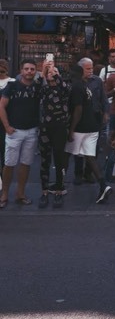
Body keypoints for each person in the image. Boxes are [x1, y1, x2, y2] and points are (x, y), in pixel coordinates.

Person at [65, 64, 112, 204]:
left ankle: (59, 185)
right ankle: (103, 185)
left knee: (65, 155)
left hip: (81, 127)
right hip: (92, 126)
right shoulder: (85, 86)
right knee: (90, 157)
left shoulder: (77, 86)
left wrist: (71, 129)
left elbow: (78, 110)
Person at [0, 59, 41, 208]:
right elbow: (1, 106)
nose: (29, 71)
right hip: (14, 131)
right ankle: (4, 194)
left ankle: (20, 193)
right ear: (21, 71)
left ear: (35, 71)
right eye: (26, 69)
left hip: (31, 131)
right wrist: (7, 126)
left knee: (26, 164)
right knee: (9, 164)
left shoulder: (37, 87)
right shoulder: (11, 86)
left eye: (32, 69)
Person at [38, 60, 70, 209]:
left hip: (60, 128)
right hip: (45, 128)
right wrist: (44, 72)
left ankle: (59, 189)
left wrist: (56, 74)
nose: (51, 74)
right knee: (45, 160)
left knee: (59, 160)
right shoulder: (43, 88)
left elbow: (64, 87)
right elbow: (38, 87)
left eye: (54, 72)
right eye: (50, 72)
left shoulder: (63, 88)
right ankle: (44, 191)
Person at [74, 58, 108, 185]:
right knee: (78, 146)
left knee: (94, 146)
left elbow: (103, 97)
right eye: (88, 68)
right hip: (80, 116)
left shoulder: (97, 81)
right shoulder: (77, 82)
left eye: (91, 68)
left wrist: (105, 112)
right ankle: (78, 173)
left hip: (95, 115)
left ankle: (88, 173)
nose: (91, 71)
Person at [0, 59, 15, 177]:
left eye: (3, 67)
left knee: (5, 150)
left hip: (8, 119)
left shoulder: (13, 82)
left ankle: (3, 176)